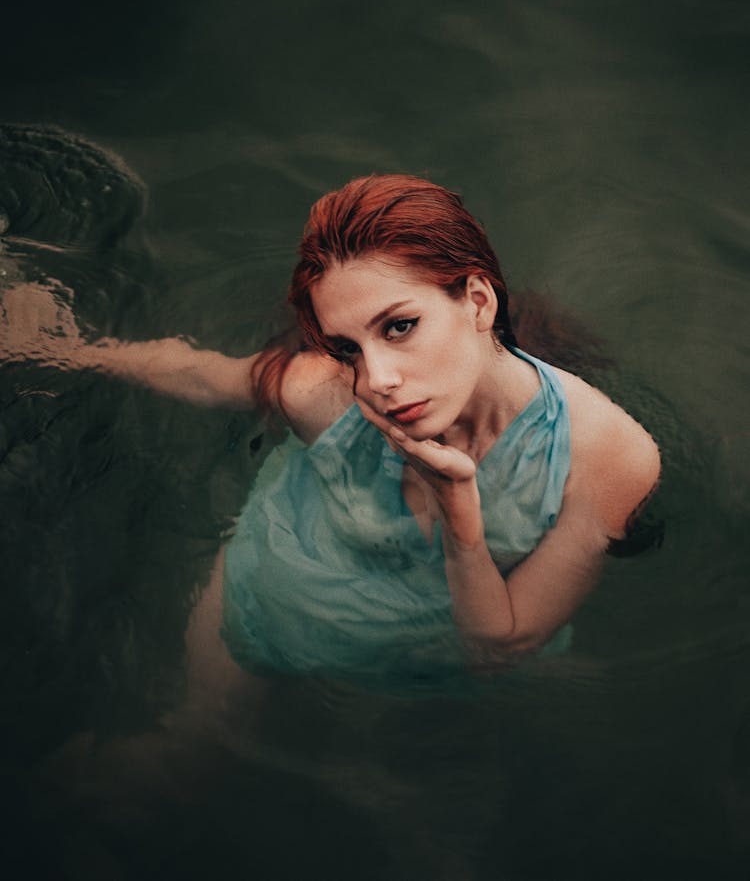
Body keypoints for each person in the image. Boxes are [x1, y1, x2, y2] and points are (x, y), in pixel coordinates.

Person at [1, 174, 660, 685]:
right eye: (348, 346)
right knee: (168, 766)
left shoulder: (610, 454)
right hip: (267, 598)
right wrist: (70, 349)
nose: (377, 378)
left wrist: (461, 510)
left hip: (434, 660)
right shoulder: (326, 394)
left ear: (479, 301)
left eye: (399, 326)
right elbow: (207, 377)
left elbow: (497, 649)